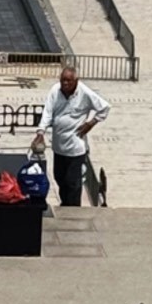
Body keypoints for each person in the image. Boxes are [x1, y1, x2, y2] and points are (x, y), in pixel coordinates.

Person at [41, 62, 110, 208]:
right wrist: (41, 131)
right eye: (63, 80)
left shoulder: (84, 92)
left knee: (73, 182)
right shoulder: (55, 90)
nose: (65, 84)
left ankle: (72, 210)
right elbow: (47, 112)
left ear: (76, 81)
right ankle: (65, 205)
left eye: (68, 81)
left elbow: (104, 108)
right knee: (59, 178)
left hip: (75, 148)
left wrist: (91, 123)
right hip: (59, 146)